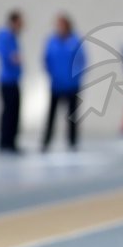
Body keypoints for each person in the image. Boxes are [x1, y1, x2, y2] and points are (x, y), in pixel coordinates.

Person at [42, 14, 85, 152]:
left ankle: (72, 142)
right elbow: (46, 59)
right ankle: (46, 141)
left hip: (72, 85)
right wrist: (52, 75)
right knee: (51, 115)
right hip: (56, 85)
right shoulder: (52, 41)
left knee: (72, 116)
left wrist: (76, 77)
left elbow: (82, 60)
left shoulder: (75, 41)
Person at [0, 10, 23, 154]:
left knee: (14, 112)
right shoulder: (5, 35)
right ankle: (5, 142)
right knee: (8, 112)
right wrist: (11, 56)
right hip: (7, 81)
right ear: (13, 22)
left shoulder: (13, 37)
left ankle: (10, 141)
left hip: (14, 79)